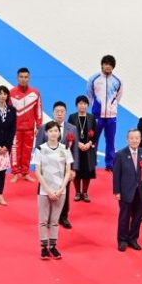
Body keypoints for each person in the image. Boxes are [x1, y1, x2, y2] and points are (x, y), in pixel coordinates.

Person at [32, 120, 73, 260]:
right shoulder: (40, 149)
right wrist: (48, 190)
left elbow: (68, 171)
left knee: (55, 221)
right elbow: (37, 172)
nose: (53, 133)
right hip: (44, 191)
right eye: (50, 131)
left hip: (60, 191)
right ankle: (44, 247)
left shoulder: (65, 149)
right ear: (46, 133)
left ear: (59, 133)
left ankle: (53, 246)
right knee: (43, 220)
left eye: (56, 131)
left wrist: (61, 189)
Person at [36, 101, 79, 229]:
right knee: (46, 193)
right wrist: (40, 168)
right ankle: (47, 217)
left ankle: (63, 217)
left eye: (62, 111)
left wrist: (74, 169)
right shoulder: (44, 128)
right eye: (57, 112)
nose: (60, 114)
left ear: (66, 113)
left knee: (64, 192)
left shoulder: (72, 129)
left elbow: (75, 150)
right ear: (52, 113)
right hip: (47, 169)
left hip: (65, 168)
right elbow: (38, 148)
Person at [113, 129, 142, 252]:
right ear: (127, 139)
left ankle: (133, 239)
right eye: (132, 138)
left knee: (137, 217)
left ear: (140, 139)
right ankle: (122, 240)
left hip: (140, 191)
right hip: (125, 192)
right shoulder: (120, 154)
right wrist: (117, 191)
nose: (134, 140)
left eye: (137, 138)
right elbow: (116, 175)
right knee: (124, 217)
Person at [87, 55, 123, 172]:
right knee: (93, 140)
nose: (108, 66)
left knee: (110, 141)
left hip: (111, 117)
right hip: (97, 116)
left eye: (110, 64)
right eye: (106, 64)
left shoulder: (118, 80)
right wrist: (96, 107)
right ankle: (91, 163)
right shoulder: (94, 78)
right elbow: (89, 94)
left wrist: (111, 107)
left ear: (113, 67)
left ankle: (110, 164)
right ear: (102, 65)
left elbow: (118, 97)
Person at [9, 67, 42, 183]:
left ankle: (25, 172)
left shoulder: (35, 93)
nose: (24, 79)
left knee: (27, 151)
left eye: (26, 77)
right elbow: (8, 112)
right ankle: (15, 173)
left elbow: (38, 110)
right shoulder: (11, 93)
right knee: (15, 151)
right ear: (17, 78)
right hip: (15, 129)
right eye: (21, 77)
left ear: (29, 78)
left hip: (29, 128)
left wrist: (39, 126)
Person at [67, 95, 97, 203]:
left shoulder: (91, 118)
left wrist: (89, 143)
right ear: (76, 105)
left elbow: (95, 133)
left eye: (84, 103)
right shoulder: (72, 117)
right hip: (76, 149)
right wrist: (78, 143)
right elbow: (69, 133)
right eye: (80, 103)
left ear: (87, 105)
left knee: (87, 171)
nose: (82, 105)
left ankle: (85, 192)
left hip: (88, 149)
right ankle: (77, 192)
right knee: (77, 170)